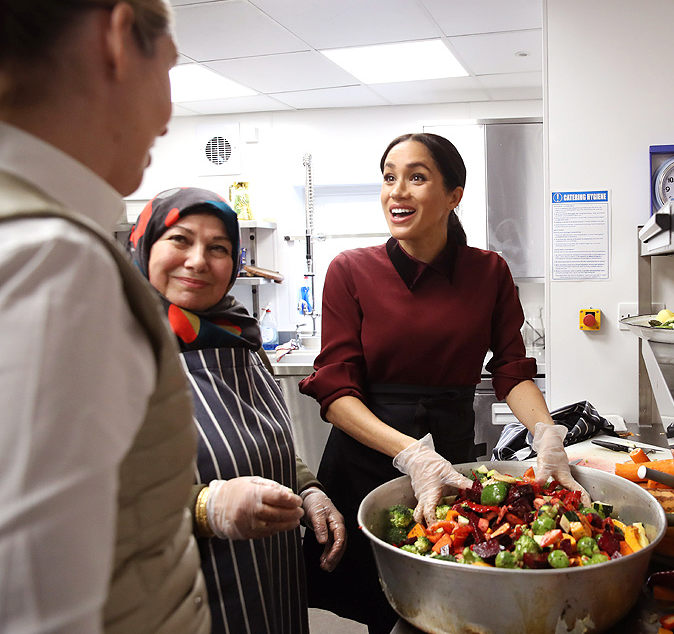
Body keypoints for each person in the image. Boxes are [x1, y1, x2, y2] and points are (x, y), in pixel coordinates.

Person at [299, 132, 590, 632]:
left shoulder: (489, 272)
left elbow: (511, 370)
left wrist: (547, 434)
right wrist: (411, 455)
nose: (397, 192)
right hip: (370, 455)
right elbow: (335, 392)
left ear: (454, 195)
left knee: (452, 600)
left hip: (450, 454)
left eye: (417, 177)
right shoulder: (350, 270)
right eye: (389, 178)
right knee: (382, 604)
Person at [0, 0, 210, 632]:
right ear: (118, 38)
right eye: (169, 68)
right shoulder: (54, 262)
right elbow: (40, 610)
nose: (168, 119)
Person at [129, 186, 347, 634]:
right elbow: (97, 504)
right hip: (186, 592)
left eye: (218, 247)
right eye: (180, 240)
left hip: (273, 578)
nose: (198, 260)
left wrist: (307, 488)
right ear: (146, 245)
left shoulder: (241, 339)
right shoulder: (118, 352)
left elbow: (262, 437)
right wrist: (206, 508)